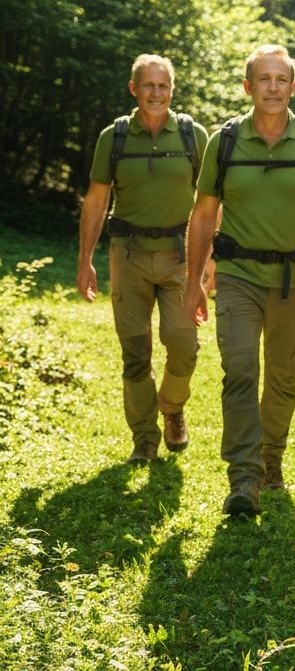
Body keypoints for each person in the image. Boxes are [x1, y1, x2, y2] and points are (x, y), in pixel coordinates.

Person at [184, 44, 295, 518]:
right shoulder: (225, 141)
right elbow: (203, 214)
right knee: (239, 369)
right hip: (236, 276)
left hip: (293, 280)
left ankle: (270, 458)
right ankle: (243, 476)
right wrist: (194, 280)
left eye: (281, 80)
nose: (273, 88)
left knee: (281, 377)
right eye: (264, 79)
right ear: (248, 86)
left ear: (293, 87)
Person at [77, 55, 209, 465]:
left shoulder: (192, 136)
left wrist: (209, 262)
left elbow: (211, 204)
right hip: (127, 255)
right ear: (134, 89)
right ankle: (144, 440)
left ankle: (172, 406)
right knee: (135, 353)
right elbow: (97, 201)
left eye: (163, 86)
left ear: (172, 89)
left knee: (184, 344)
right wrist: (85, 260)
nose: (156, 93)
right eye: (148, 86)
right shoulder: (112, 138)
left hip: (179, 256)